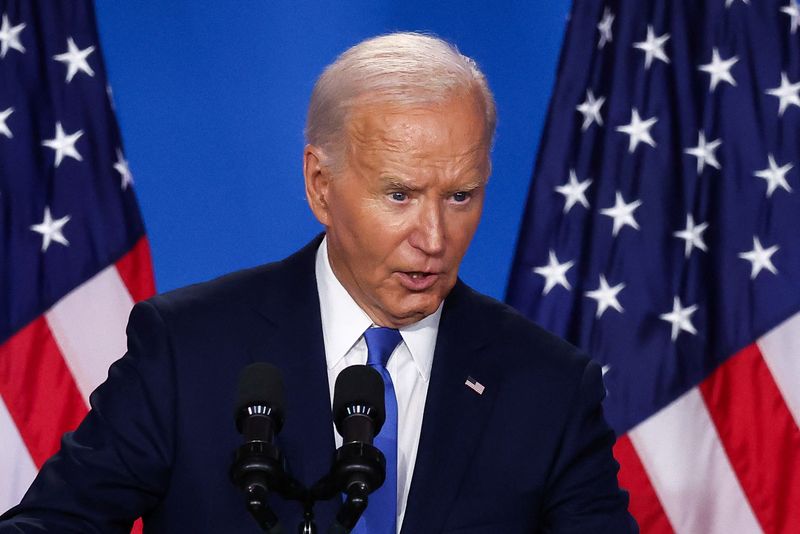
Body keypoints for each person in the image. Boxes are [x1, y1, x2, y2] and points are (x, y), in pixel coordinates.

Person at [0, 32, 637, 533]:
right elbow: (58, 521)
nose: (435, 237)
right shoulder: (189, 348)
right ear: (320, 185)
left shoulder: (548, 386)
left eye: (461, 195)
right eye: (399, 194)